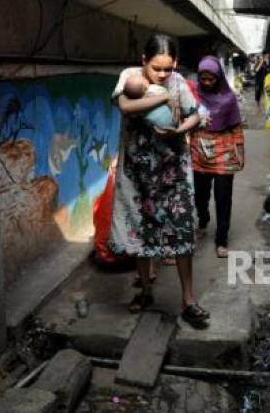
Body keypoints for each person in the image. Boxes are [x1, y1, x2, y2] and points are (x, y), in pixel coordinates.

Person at [109, 34, 210, 328]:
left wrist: (180, 131)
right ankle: (146, 291)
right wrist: (163, 96)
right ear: (143, 60)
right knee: (140, 233)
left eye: (168, 68)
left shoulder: (179, 82)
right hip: (138, 174)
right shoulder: (129, 76)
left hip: (174, 170)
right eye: (156, 68)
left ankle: (188, 300)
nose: (163, 74)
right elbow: (126, 107)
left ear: (175, 64)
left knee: (182, 234)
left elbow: (197, 115)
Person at [190, 56, 245, 259]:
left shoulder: (229, 98)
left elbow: (236, 126)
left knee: (223, 198)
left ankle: (222, 239)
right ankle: (203, 220)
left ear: (219, 77)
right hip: (198, 151)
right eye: (203, 78)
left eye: (210, 79)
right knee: (200, 196)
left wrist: (240, 151)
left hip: (224, 153)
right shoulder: (193, 94)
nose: (206, 83)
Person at [122, 74, 178, 162]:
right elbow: (166, 94)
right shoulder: (153, 89)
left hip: (158, 128)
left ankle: (168, 152)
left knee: (156, 141)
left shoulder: (136, 105)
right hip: (173, 118)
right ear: (145, 86)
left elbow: (133, 116)